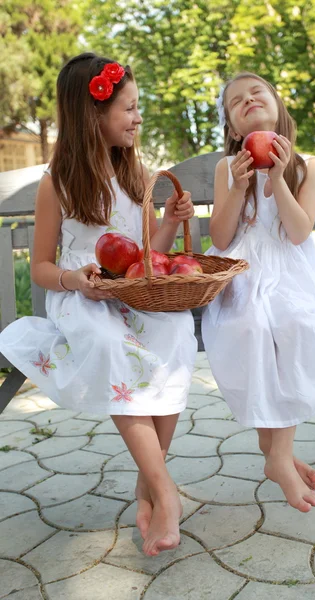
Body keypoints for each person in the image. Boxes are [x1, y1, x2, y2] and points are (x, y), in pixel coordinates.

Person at [0, 52, 198, 556]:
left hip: (134, 291)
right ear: (94, 115)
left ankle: (147, 487)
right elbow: (42, 267)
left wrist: (172, 221)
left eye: (138, 107)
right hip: (83, 299)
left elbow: (146, 251)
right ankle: (167, 493)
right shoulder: (58, 183)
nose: (138, 118)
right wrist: (77, 280)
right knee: (112, 346)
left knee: (175, 334)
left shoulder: (137, 175)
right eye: (128, 109)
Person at [202, 72, 315, 512]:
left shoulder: (309, 165)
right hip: (241, 272)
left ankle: (277, 456)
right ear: (231, 128)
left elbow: (299, 232)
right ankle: (278, 456)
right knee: (249, 324)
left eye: (256, 93)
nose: (248, 101)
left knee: (293, 321)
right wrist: (242, 185)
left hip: (288, 273)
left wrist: (279, 178)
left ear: (279, 107)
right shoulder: (227, 167)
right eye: (236, 102)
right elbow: (222, 238)